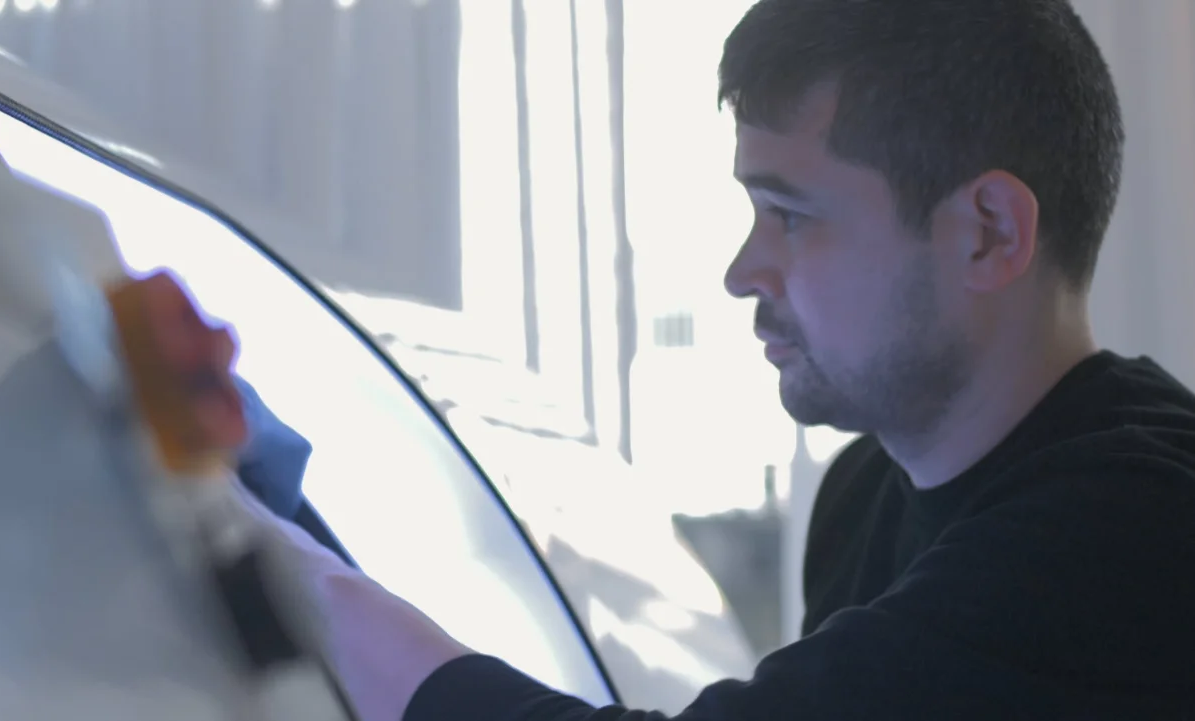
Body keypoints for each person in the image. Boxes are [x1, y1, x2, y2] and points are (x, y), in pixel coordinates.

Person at [243, 0, 1195, 719]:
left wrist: (270, 552)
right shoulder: (867, 491)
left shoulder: (1136, 527)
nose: (744, 271)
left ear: (988, 231)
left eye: (791, 215)